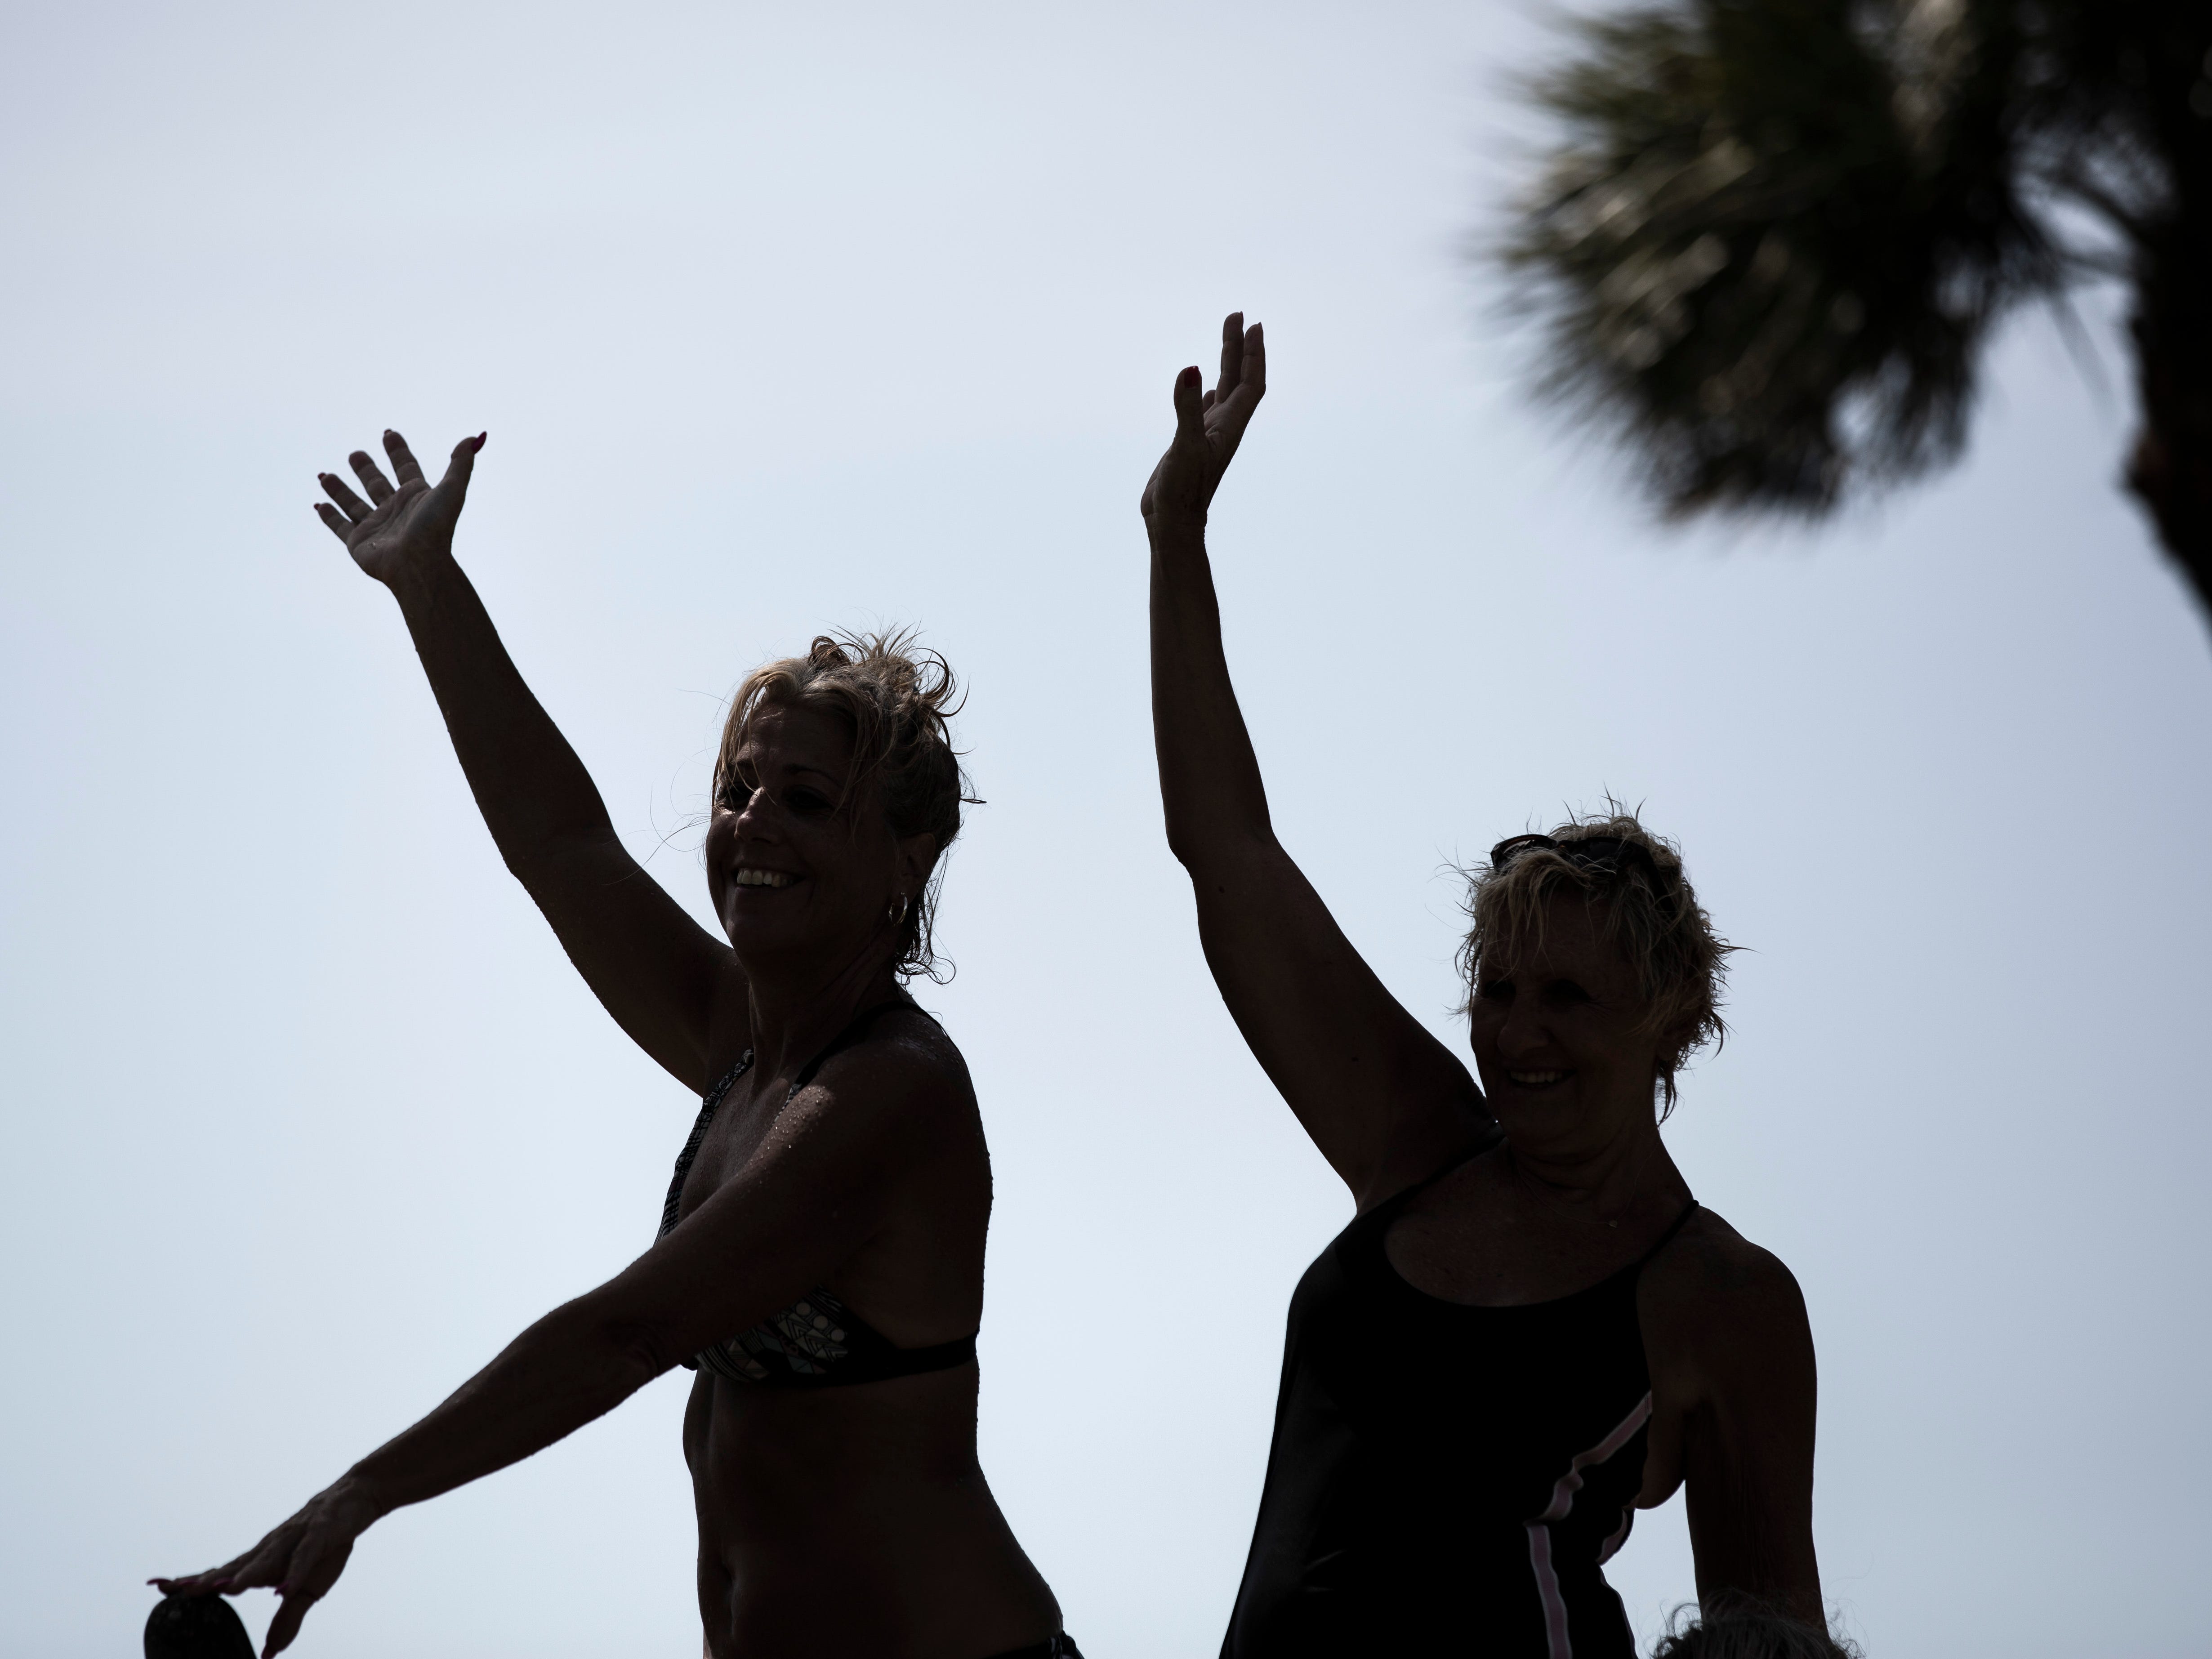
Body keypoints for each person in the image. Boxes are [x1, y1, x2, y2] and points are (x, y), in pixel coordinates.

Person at [153, 432, 1075, 1659]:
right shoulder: (742, 1045)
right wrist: (433, 590)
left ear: (907, 856)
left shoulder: (890, 1092)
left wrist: (364, 1490)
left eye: (807, 800)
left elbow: (631, 1332)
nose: (754, 822)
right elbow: (563, 848)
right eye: (741, 788)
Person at [1142, 318, 1826, 1657]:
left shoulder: (1723, 1297)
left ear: (1673, 1016)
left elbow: (1770, 1634)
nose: (1519, 1034)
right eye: (1497, 990)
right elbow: (1225, 853)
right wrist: (1177, 540)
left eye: (1568, 998)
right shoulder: (1416, 1140)